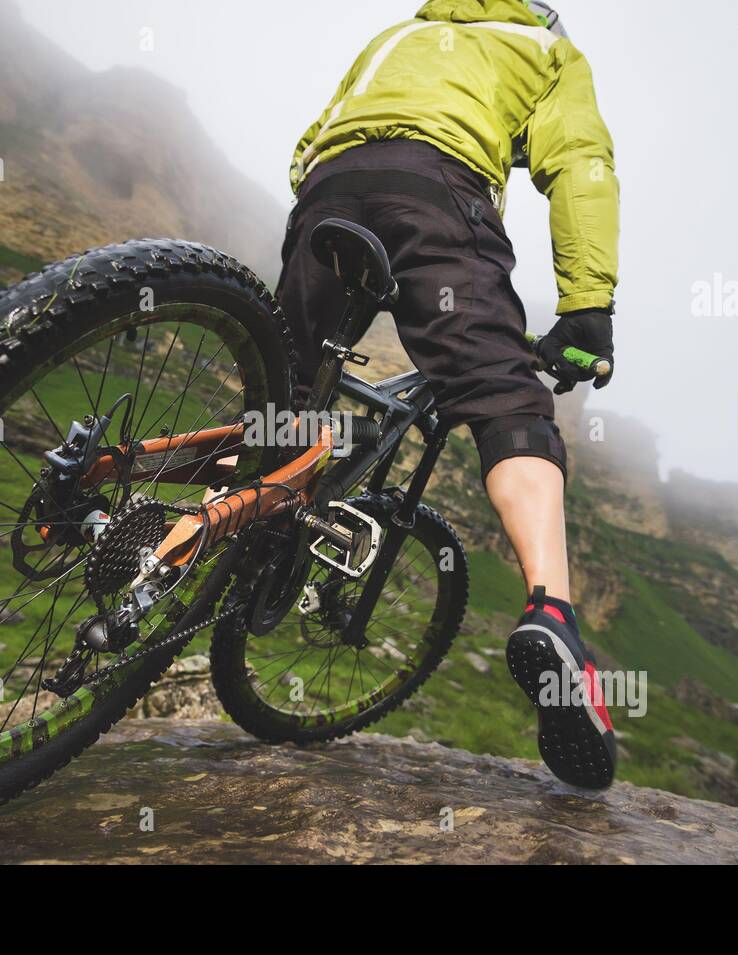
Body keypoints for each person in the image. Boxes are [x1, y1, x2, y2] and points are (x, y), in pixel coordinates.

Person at [277, 0, 618, 788]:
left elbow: (311, 138)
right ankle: (553, 615)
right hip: (436, 191)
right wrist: (587, 306)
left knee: (289, 391)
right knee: (504, 394)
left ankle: (206, 523)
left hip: (328, 190)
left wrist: (326, 188)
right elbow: (582, 164)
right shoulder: (543, 44)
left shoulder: (400, 32)